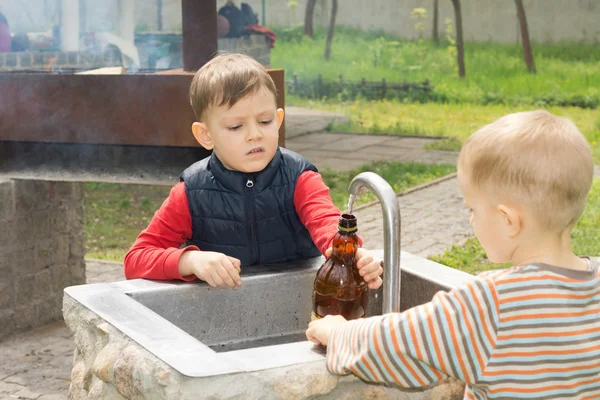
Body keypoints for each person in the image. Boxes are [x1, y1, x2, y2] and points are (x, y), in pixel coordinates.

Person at [307, 110, 599, 399]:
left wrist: (338, 333)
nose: (471, 220)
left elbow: (401, 342)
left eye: (472, 209)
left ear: (508, 221)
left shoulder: (492, 303)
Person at [124, 52, 383, 290]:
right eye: (236, 126)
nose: (254, 135)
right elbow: (136, 259)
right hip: (218, 316)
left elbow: (326, 225)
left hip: (300, 303)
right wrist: (190, 260)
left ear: (279, 121)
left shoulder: (300, 178)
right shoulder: (191, 192)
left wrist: (351, 254)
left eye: (265, 121)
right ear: (205, 135)